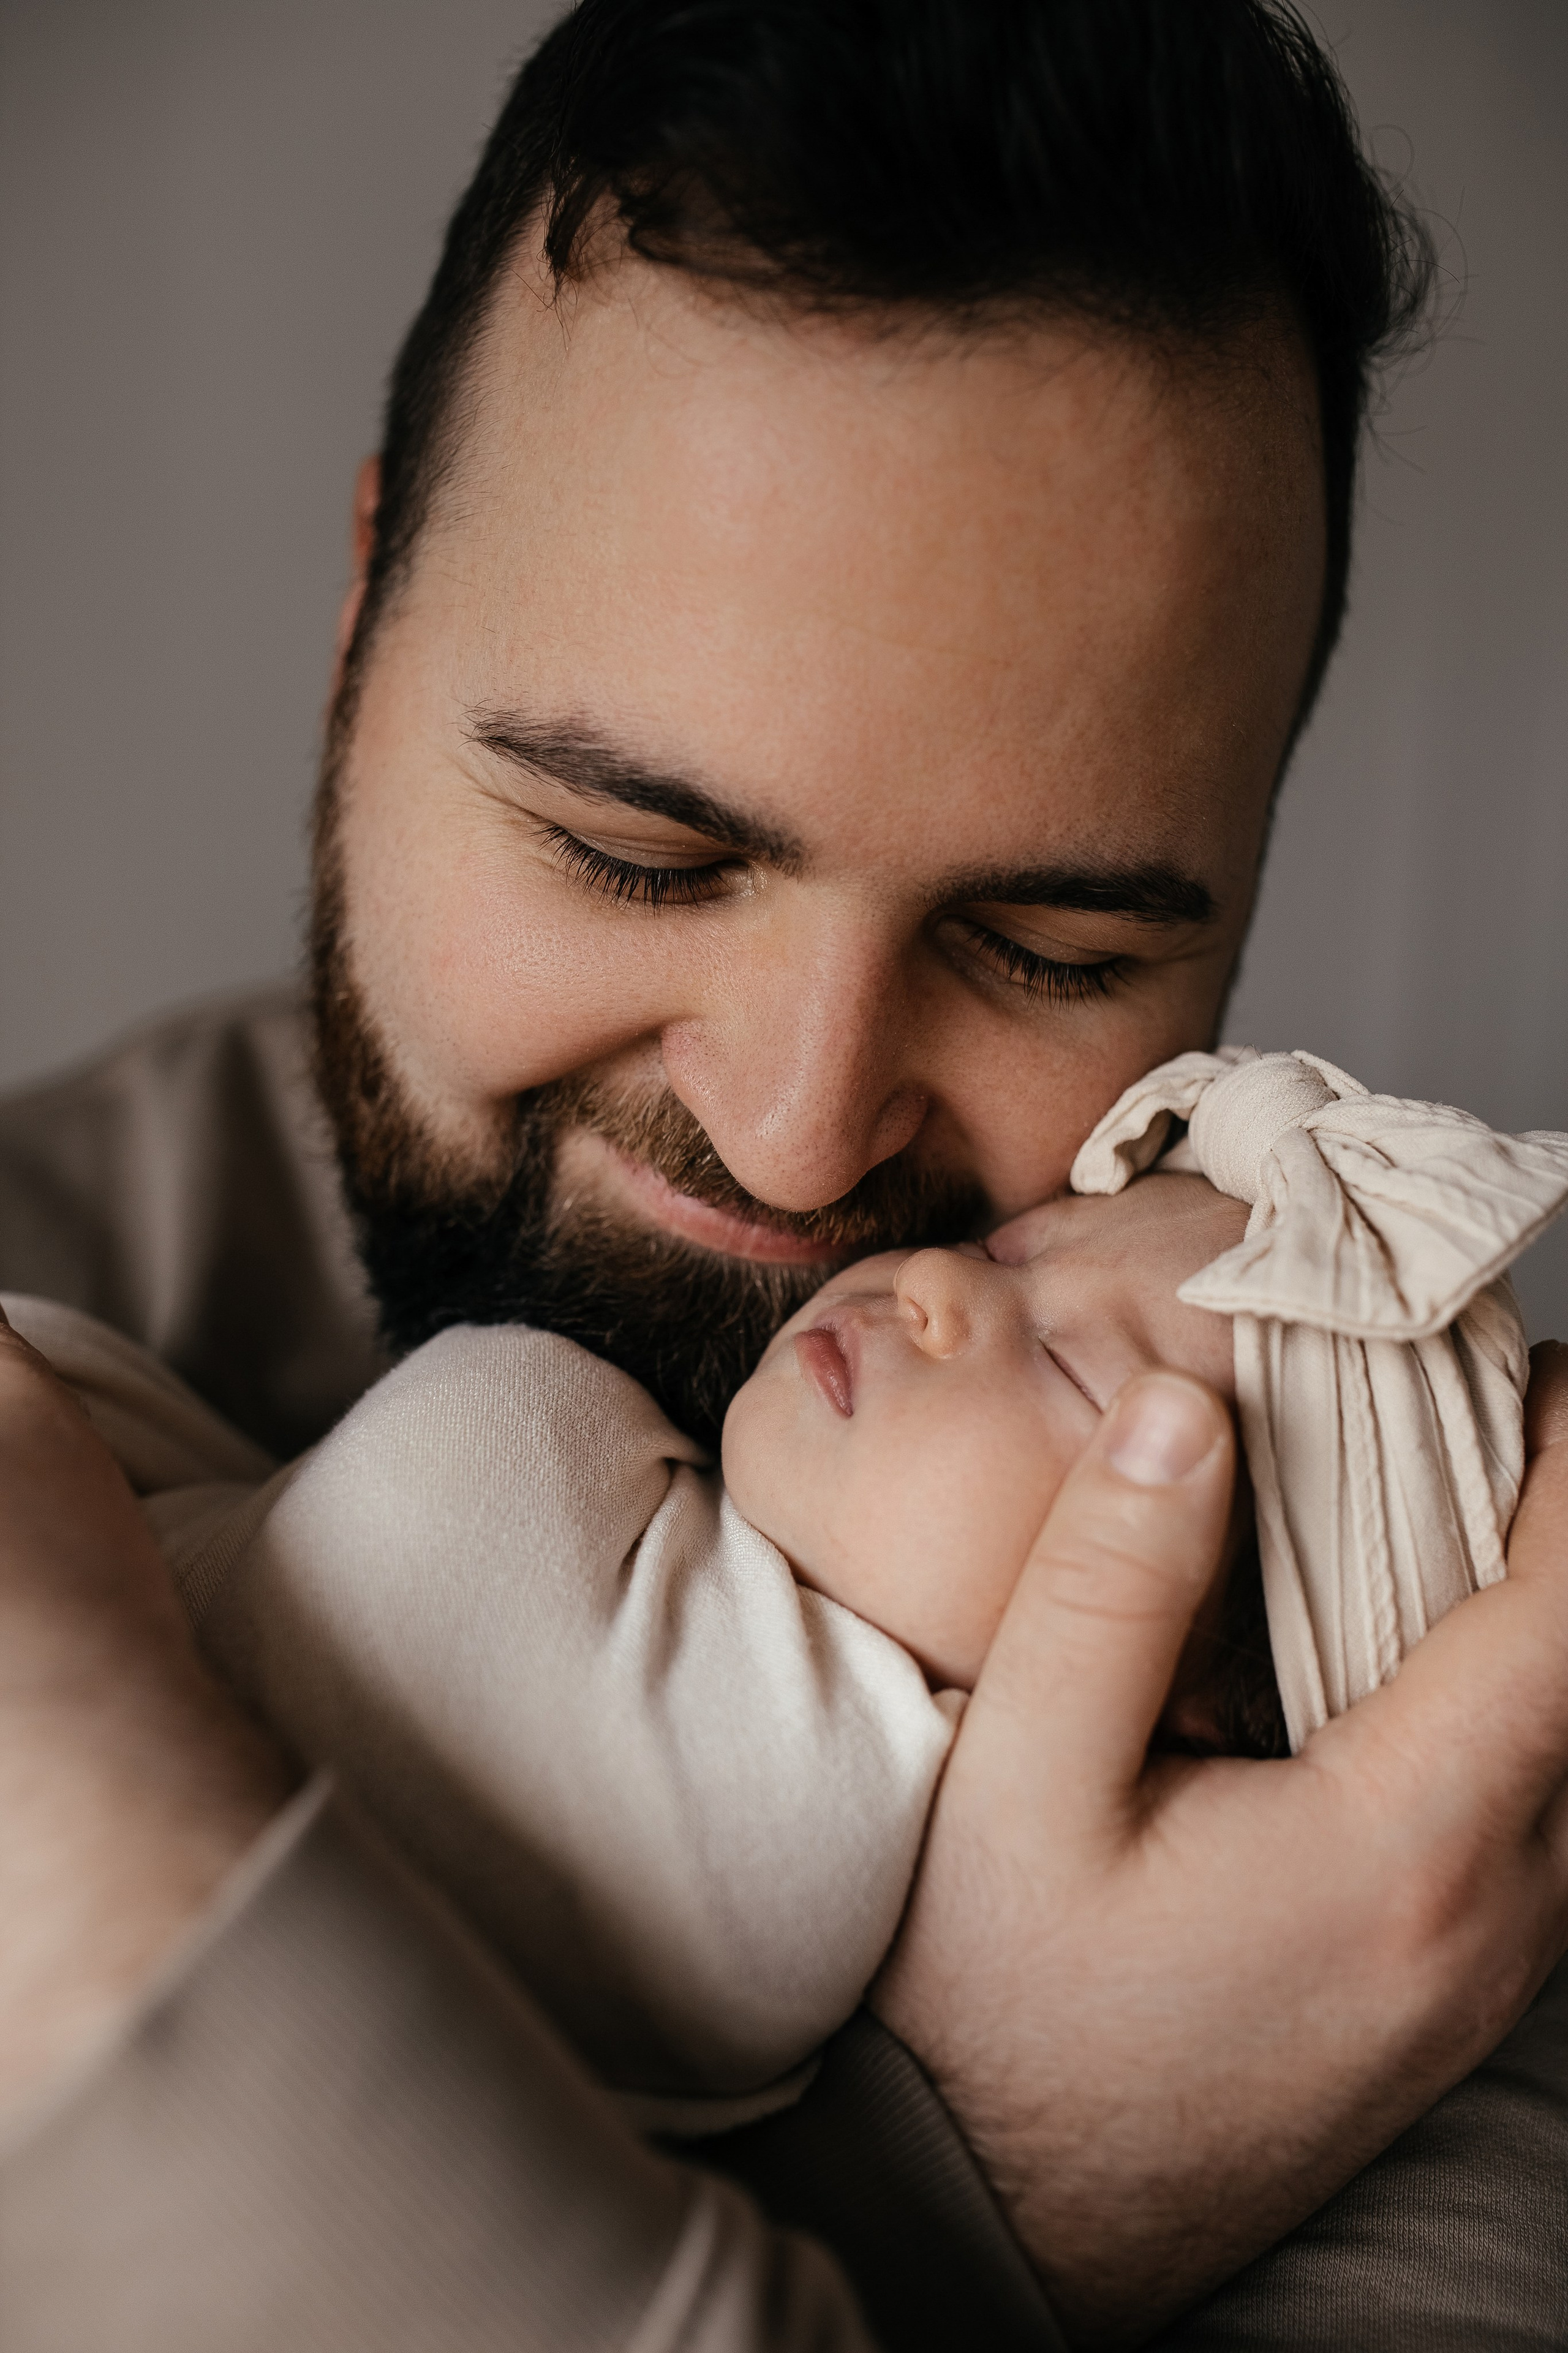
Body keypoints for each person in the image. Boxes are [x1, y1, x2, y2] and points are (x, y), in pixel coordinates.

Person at [6, 2, 1568, 2345]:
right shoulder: (66, 1250)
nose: (800, 1129)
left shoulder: (1416, 1827)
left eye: (1044, 951)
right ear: (357, 639)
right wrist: (965, 2197)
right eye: (635, 853)